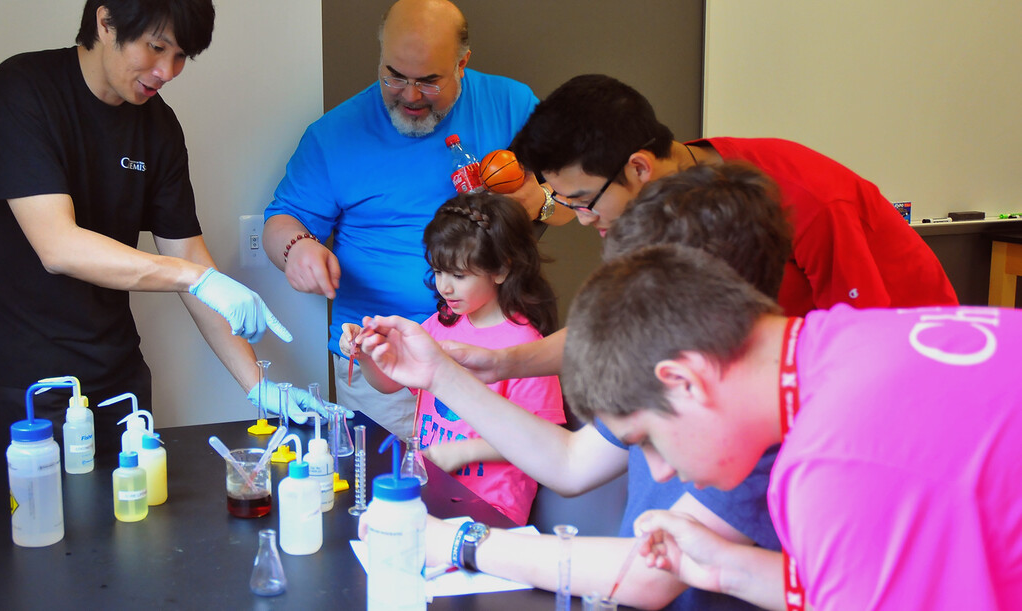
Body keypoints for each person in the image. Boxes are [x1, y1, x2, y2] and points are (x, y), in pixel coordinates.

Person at [351, 164, 797, 610]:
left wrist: (458, 542)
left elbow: (646, 578)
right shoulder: (684, 374)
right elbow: (570, 461)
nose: (656, 469)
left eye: (648, 437)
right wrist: (439, 373)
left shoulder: (766, 417)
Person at [559, 244, 1022, 611]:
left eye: (648, 441)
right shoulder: (850, 339)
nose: (659, 472)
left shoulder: (829, 458)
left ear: (683, 381)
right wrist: (732, 569)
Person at [0, 0, 300, 455]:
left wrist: (259, 388)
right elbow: (58, 246)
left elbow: (189, 256)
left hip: (116, 367)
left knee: (141, 511)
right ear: (106, 21)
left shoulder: (159, 127)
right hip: (24, 373)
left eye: (180, 57)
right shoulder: (20, 93)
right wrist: (199, 280)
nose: (168, 70)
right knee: (55, 521)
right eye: (156, 47)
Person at [450, 73, 959, 385]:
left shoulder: (807, 201)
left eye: (584, 202)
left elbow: (869, 357)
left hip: (911, 363)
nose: (581, 219)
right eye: (563, 202)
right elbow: (623, 324)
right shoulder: (655, 209)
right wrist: (504, 363)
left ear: (640, 168)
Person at [261, 0, 572, 438]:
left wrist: (539, 200)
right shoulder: (334, 135)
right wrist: (297, 248)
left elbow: (574, 201)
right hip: (382, 365)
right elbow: (280, 221)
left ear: (462, 63)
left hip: (496, 349)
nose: (409, 95)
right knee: (386, 493)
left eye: (429, 82)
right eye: (394, 76)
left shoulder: (511, 105)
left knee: (491, 488)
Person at [341, 192, 564, 525]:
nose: (444, 287)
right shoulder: (440, 324)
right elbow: (389, 384)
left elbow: (545, 438)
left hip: (491, 507)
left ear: (501, 270)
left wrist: (461, 452)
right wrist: (368, 355)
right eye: (438, 272)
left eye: (458, 276)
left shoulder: (524, 348)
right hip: (435, 490)